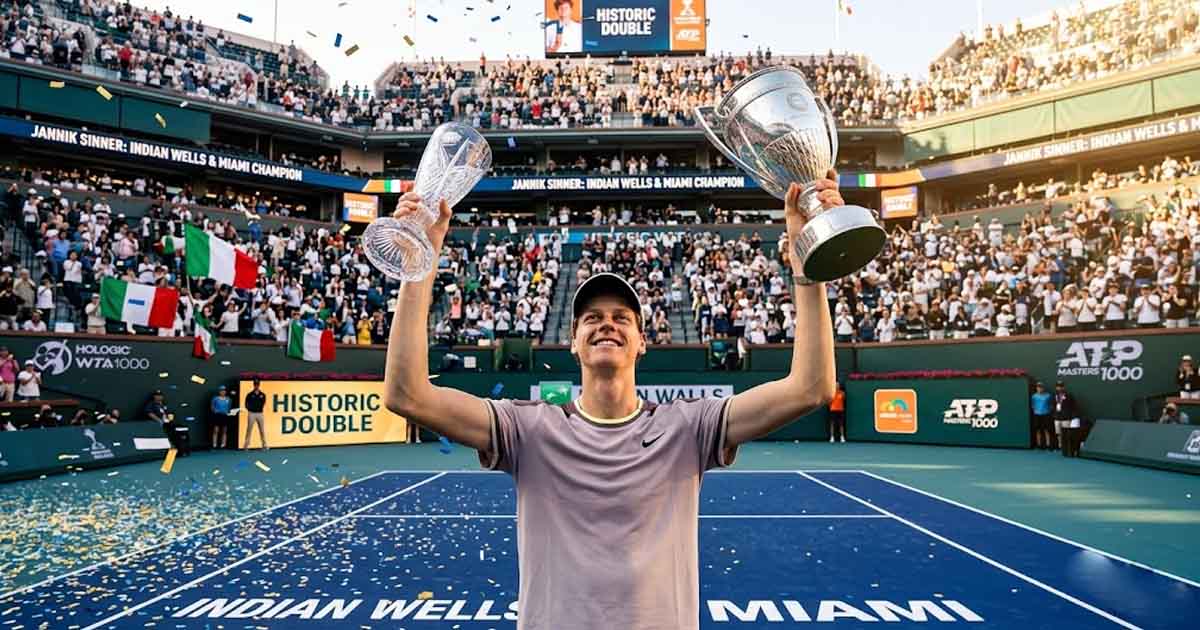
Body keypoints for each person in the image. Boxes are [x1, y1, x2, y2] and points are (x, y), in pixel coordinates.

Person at [382, 173, 840, 630]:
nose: (607, 325)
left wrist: (807, 263)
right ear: (574, 342)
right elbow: (406, 394)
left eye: (622, 317)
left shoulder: (689, 428)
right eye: (592, 318)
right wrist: (418, 265)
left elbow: (810, 388)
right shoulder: (527, 429)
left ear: (642, 341)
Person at [146, 390, 189, 456]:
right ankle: (172, 448)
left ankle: (182, 450)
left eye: (160, 395)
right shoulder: (151, 404)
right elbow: (149, 413)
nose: (159, 397)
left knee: (180, 430)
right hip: (158, 424)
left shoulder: (163, 404)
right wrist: (159, 420)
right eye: (157, 396)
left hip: (168, 423)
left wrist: (169, 418)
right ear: (154, 396)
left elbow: (167, 413)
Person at [1051, 381, 1080, 457]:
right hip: (1057, 418)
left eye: (1061, 386)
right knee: (1058, 433)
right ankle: (1061, 447)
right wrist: (1055, 412)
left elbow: (1073, 406)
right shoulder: (1054, 395)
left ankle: (1067, 448)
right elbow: (1053, 405)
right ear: (1056, 387)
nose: (1059, 388)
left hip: (1066, 418)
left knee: (1066, 434)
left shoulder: (1069, 395)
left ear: (1063, 387)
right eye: (1058, 386)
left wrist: (1071, 416)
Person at [243, 378, 268, 450]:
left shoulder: (262, 395)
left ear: (259, 385)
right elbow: (246, 404)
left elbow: (263, 403)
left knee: (262, 430)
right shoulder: (249, 394)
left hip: (260, 414)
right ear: (253, 385)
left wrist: (258, 408)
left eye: (257, 384)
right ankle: (246, 445)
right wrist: (250, 409)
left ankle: (264, 445)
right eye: (255, 384)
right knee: (249, 429)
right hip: (252, 414)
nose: (256, 386)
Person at [1030, 382, 1053, 450]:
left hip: (1046, 415)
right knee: (1038, 430)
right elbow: (1033, 405)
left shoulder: (1048, 396)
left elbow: (1051, 405)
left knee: (1047, 430)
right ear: (1036, 388)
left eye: (1041, 387)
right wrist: (1036, 411)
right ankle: (1039, 445)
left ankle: (1048, 445)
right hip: (1037, 415)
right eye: (1038, 387)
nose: (1039, 388)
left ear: (1043, 388)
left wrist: (1047, 411)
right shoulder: (1034, 396)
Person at [210, 385, 232, 449]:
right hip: (217, 416)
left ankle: (223, 444)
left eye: (224, 390)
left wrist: (227, 412)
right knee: (216, 430)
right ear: (219, 391)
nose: (223, 392)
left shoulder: (228, 399)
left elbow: (229, 407)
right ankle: (214, 444)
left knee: (224, 430)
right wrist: (216, 411)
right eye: (221, 390)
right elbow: (212, 407)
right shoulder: (215, 399)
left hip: (225, 416)